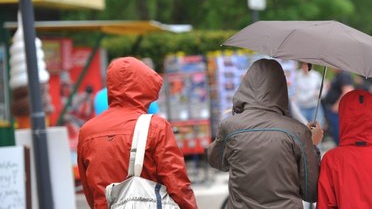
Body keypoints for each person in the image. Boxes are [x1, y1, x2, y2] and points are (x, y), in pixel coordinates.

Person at [77, 57, 198, 208]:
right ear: (146, 85)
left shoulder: (87, 131)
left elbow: (89, 188)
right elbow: (176, 183)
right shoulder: (156, 126)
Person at [207, 59, 324, 208]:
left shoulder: (230, 126)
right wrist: (311, 145)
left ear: (246, 85)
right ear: (281, 88)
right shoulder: (298, 132)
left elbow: (216, 161)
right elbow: (311, 192)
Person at [321, 68, 354, 145]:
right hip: (333, 110)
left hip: (338, 111)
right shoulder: (338, 76)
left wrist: (337, 106)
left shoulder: (344, 75)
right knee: (335, 132)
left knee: (339, 132)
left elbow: (347, 91)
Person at [293, 62, 324, 126]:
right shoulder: (296, 75)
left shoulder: (316, 75)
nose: (305, 66)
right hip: (301, 108)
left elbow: (323, 91)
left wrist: (317, 93)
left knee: (316, 129)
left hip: (314, 108)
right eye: (304, 64)